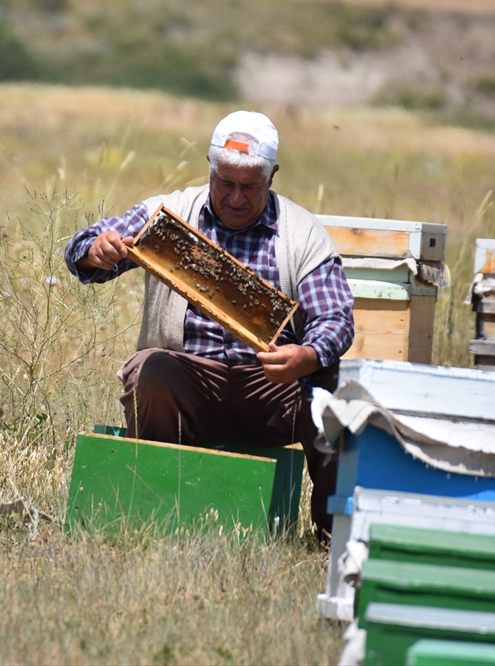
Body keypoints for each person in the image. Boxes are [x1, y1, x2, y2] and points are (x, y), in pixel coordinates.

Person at [65, 110, 354, 535]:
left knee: (334, 391)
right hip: (190, 384)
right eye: (225, 183)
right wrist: (98, 249)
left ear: (272, 176)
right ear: (210, 167)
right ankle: (151, 514)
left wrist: (306, 356)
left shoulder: (304, 234)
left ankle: (333, 535)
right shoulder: (170, 212)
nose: (236, 197)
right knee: (151, 371)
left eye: (249, 186)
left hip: (268, 387)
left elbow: (335, 319)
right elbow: (83, 245)